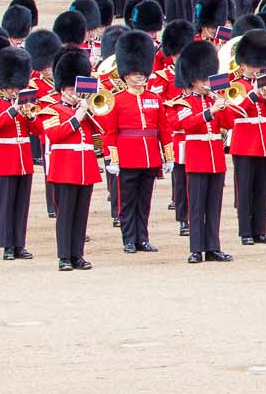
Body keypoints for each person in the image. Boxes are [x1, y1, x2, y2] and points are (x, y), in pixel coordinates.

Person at [97, 30, 165, 253]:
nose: (139, 77)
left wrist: (169, 156)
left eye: (141, 73)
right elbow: (110, 132)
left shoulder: (154, 99)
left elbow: (163, 129)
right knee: (126, 203)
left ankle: (142, 238)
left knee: (144, 202)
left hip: (150, 157)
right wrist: (112, 158)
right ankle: (128, 239)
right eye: (135, 74)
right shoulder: (117, 100)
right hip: (127, 157)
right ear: (125, 76)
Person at [169, 39, 234, 262]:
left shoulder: (213, 100)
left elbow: (229, 123)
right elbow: (185, 124)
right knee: (196, 206)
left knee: (213, 205)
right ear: (193, 80)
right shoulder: (183, 102)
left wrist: (223, 104)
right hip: (197, 157)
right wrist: (210, 112)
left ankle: (213, 246)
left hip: (215, 156)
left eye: (208, 78)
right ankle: (196, 248)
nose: (207, 83)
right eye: (203, 79)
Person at [39, 49, 103, 270]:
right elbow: (54, 135)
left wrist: (88, 111)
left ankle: (77, 255)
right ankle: (64, 256)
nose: (74, 92)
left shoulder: (86, 110)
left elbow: (97, 135)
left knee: (81, 214)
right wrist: (77, 117)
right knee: (65, 213)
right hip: (65, 166)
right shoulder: (51, 110)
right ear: (62, 89)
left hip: (86, 166)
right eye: (70, 88)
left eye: (77, 88)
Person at [0, 45, 40, 260]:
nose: (15, 90)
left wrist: (31, 117)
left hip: (24, 158)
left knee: (21, 205)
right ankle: (7, 245)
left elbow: (39, 131)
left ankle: (19, 244)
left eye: (17, 87)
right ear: (3, 85)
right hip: (5, 158)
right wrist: (13, 110)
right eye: (11, 87)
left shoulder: (26, 104)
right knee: (5, 203)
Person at [227, 31, 266, 246]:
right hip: (244, 142)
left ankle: (259, 230)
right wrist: (252, 96)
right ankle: (245, 232)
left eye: (257, 65)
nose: (255, 69)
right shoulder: (235, 85)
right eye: (251, 65)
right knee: (244, 189)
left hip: (264, 142)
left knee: (261, 188)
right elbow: (233, 113)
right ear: (242, 65)